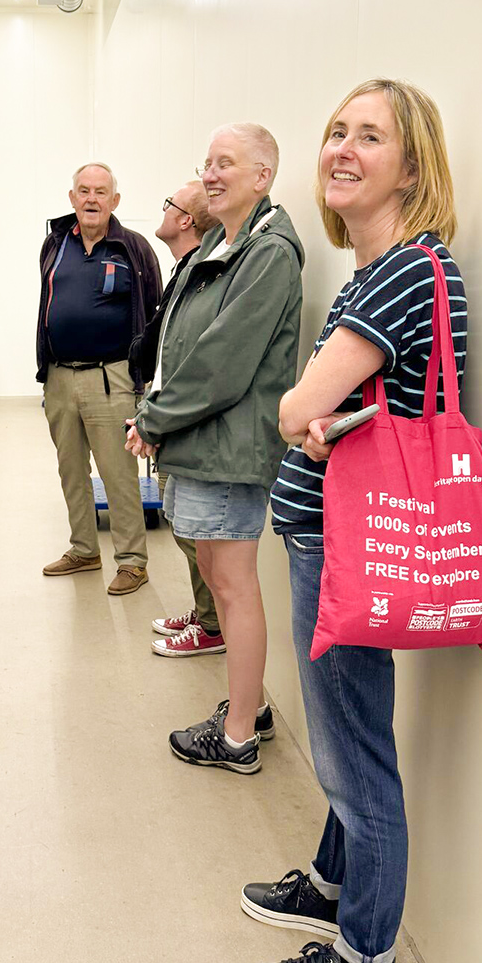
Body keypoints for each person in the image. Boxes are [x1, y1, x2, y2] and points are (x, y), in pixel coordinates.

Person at [245, 79, 466, 963]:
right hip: (330, 534)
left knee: (352, 752)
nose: (341, 148)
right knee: (346, 733)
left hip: (348, 544)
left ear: (411, 167)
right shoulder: (377, 271)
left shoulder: (408, 271)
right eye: (336, 130)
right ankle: (335, 887)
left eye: (369, 137)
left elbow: (300, 407)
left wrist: (308, 414)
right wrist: (315, 414)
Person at [126, 124, 304, 770]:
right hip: (206, 445)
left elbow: (221, 362)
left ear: (262, 175)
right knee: (214, 569)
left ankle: (237, 736)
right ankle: (246, 702)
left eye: (225, 163)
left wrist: (155, 418)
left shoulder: (269, 253)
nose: (210, 174)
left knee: (232, 585)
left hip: (229, 449)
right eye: (206, 163)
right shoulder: (227, 244)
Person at [37, 163, 163, 596]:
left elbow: (154, 315)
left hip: (111, 378)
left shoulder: (133, 248)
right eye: (84, 191)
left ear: (115, 201)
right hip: (59, 377)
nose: (92, 199)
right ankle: (84, 548)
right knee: (70, 470)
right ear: (72, 197)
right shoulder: (54, 244)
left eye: (101, 192)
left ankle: (132, 561)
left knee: (117, 473)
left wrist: (141, 379)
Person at [130, 182, 224, 658]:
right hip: (168, 411)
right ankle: (204, 611)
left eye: (169, 203)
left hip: (181, 419)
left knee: (193, 531)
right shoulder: (186, 270)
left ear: (186, 219)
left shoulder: (200, 273)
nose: (163, 209)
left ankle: (212, 624)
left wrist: (156, 419)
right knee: (181, 522)